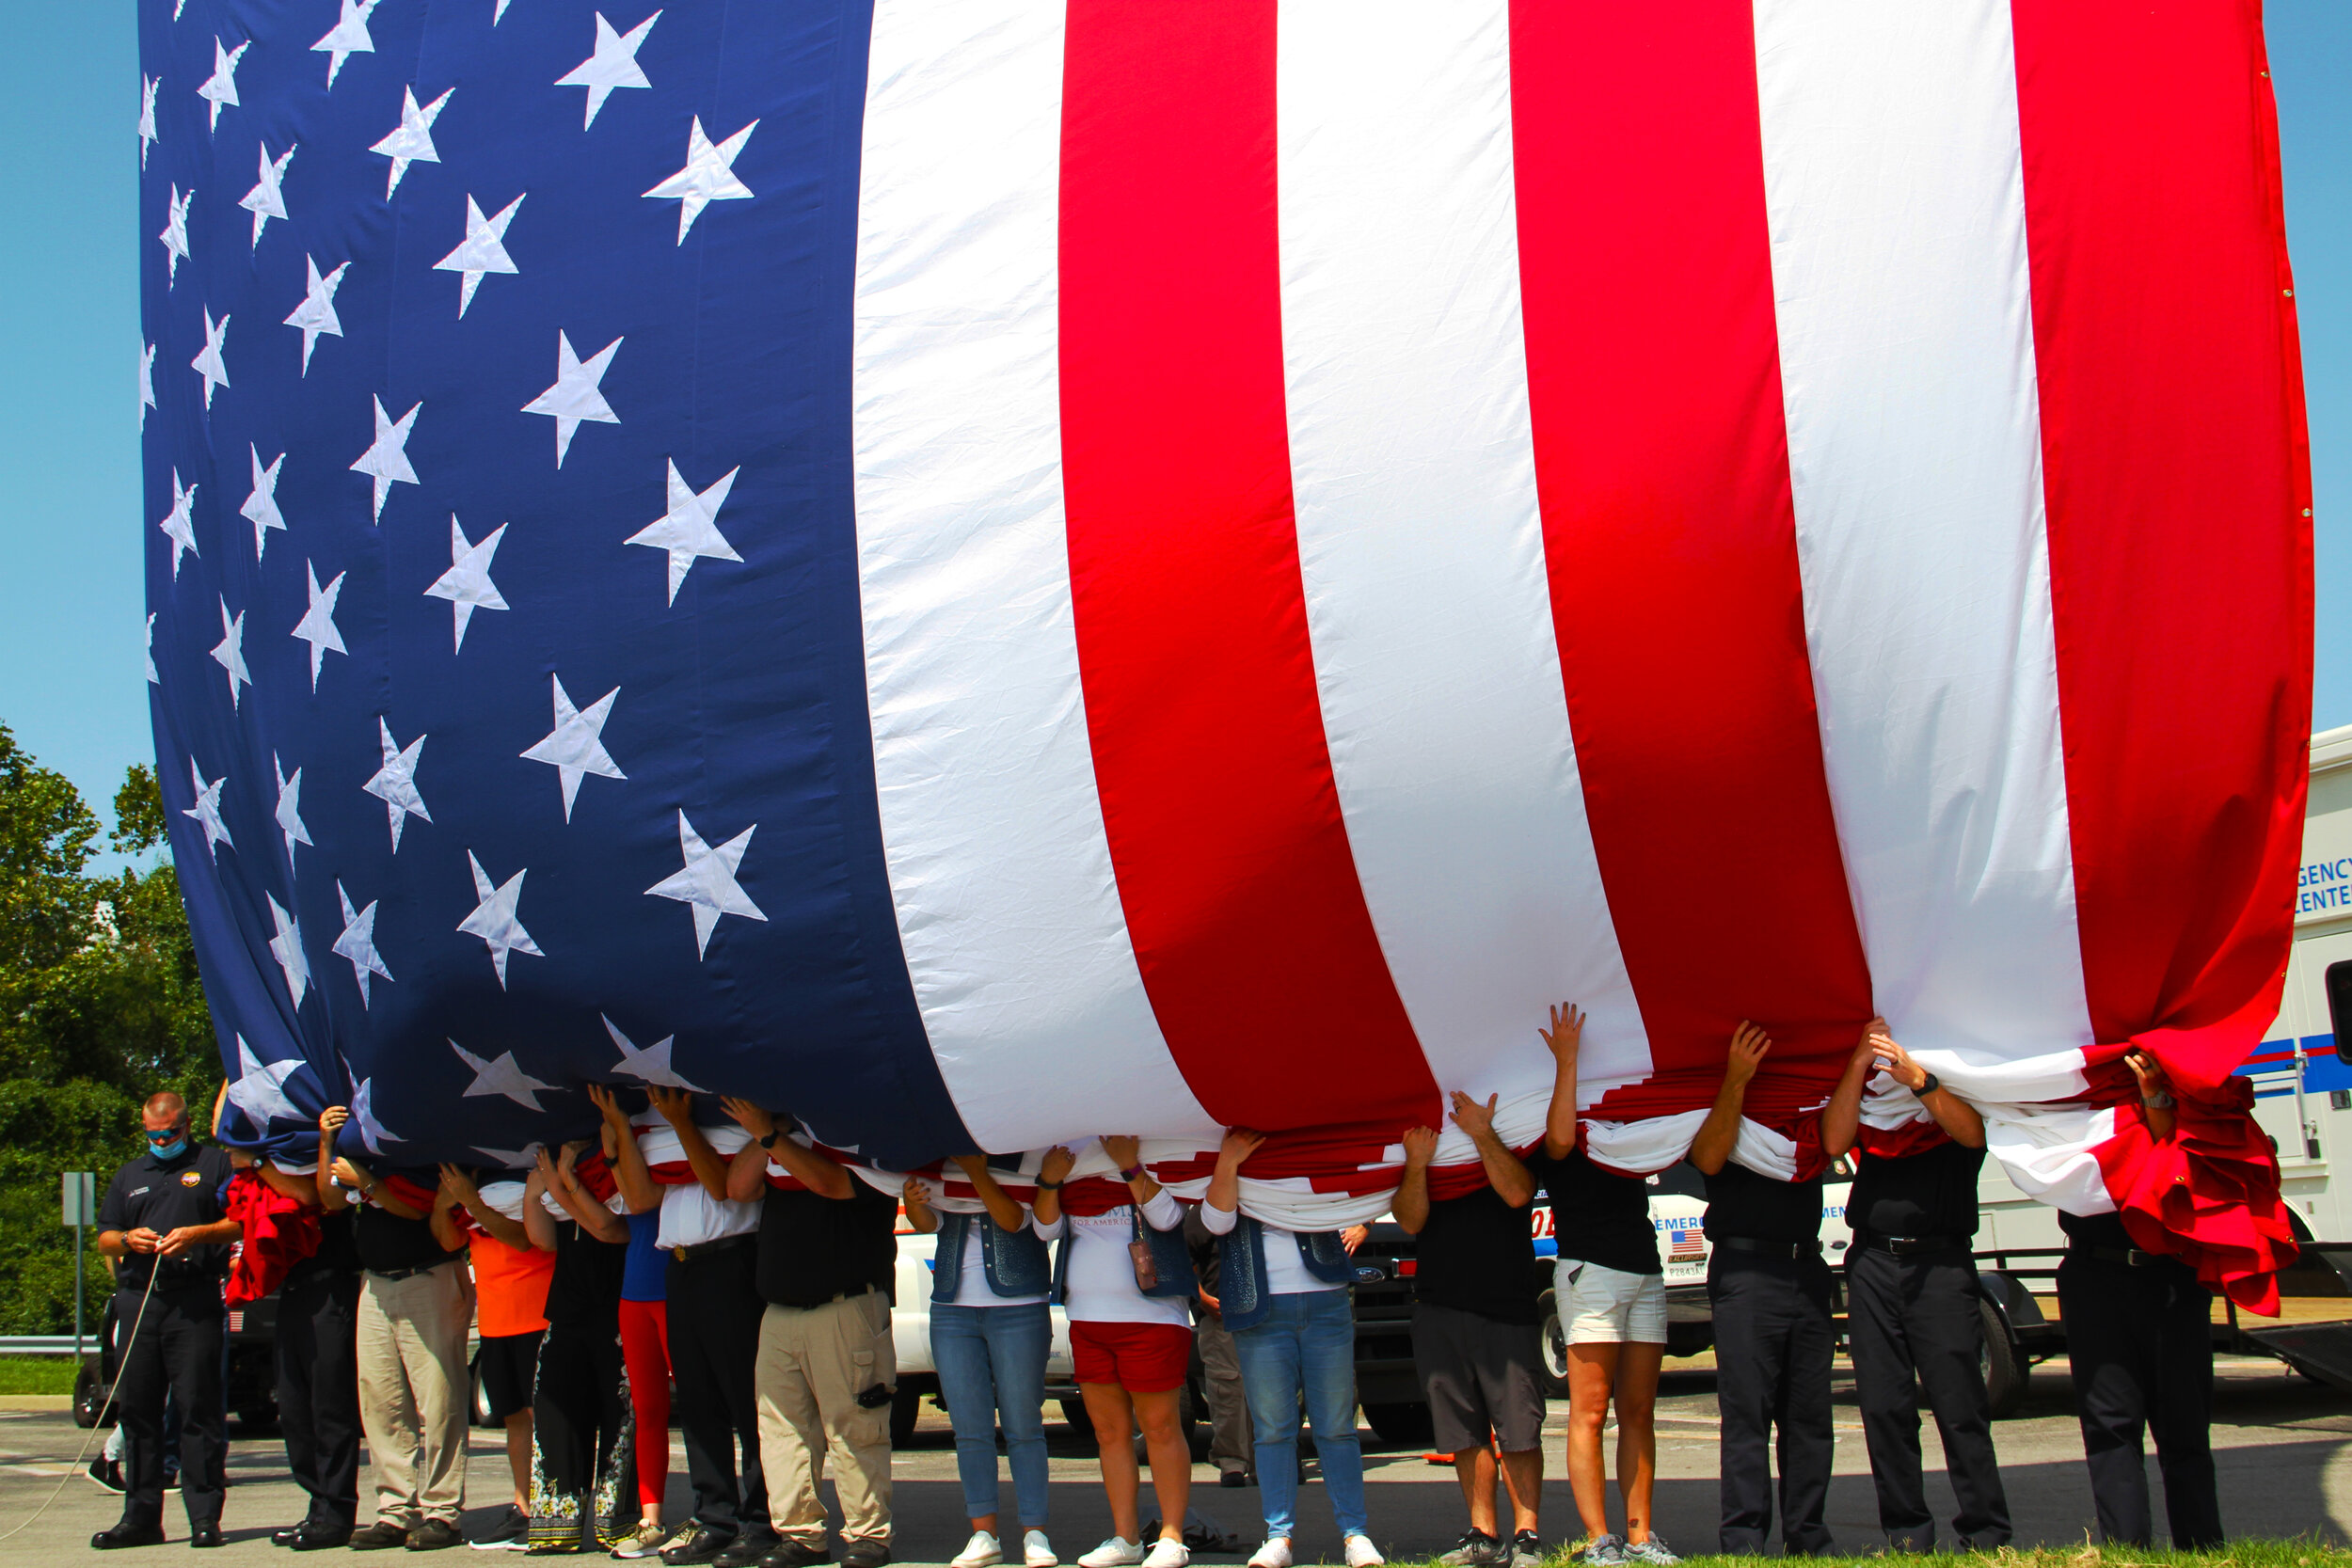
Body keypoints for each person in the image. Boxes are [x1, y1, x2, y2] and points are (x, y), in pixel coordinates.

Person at [1820, 1017, 2011, 1551]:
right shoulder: (1874, 1116)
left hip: (1941, 1266)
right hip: (1874, 1262)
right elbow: (1834, 1140)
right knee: (1885, 1408)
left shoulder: (1954, 1109)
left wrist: (1920, 1081)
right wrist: (1860, 1062)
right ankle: (1906, 1536)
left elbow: (1973, 1134)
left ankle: (1986, 1533)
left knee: (1960, 1407)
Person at [720, 1100, 900, 1568]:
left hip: (845, 1307)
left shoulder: (868, 1137)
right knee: (782, 1428)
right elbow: (736, 1189)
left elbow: (831, 1184)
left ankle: (868, 1534)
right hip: (779, 1312)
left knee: (853, 1425)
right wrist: (769, 1134)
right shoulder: (782, 1142)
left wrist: (771, 1137)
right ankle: (800, 1535)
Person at [2056, 1048, 2224, 1548]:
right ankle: (2127, 1552)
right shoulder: (2066, 1091)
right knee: (2110, 1425)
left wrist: (2152, 1092)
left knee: (2184, 1428)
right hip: (2094, 1272)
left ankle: (2202, 1550)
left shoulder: (2163, 1074)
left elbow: (2168, 1148)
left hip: (2169, 1273)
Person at [1532, 1006, 1674, 1566]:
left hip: (1644, 1267)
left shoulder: (1625, 1109)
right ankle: (1600, 1540)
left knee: (1639, 1411)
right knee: (1590, 1412)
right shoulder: (1547, 1118)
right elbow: (1561, 1143)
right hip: (1588, 1270)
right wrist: (1566, 1060)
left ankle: (1641, 1537)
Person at [1200, 1130, 1381, 1568]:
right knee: (1273, 1428)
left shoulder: (1314, 1139)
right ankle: (1279, 1536)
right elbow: (1215, 1222)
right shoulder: (1236, 1142)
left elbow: (1368, 1176)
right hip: (1261, 1308)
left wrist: (1367, 1220)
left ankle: (1355, 1535)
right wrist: (1228, 1161)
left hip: (1326, 1299)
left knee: (1336, 1426)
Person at [1689, 1024, 1833, 1557]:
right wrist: (1737, 1080)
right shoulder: (1717, 1099)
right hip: (1745, 1271)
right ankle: (1744, 1541)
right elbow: (1707, 1158)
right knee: (1748, 1415)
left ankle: (1809, 1537)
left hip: (1806, 1266)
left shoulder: (1806, 1105)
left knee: (1810, 1417)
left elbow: (1837, 1137)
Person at [1395, 1093, 1544, 1568]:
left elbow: (1519, 1193)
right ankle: (1483, 1533)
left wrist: (1481, 1131)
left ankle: (1527, 1536)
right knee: (1463, 1428)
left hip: (1506, 1301)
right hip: (1439, 1302)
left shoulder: (1515, 1134)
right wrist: (1417, 1163)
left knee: (1519, 1425)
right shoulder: (1426, 1143)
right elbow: (1409, 1218)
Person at [1032, 1137, 1197, 1568]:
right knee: (1108, 1435)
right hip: (1087, 1320)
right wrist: (1049, 1182)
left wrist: (1128, 1166)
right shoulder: (1066, 1150)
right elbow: (1045, 1229)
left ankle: (1171, 1537)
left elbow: (1168, 1217)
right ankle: (1126, 1538)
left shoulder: (1145, 1140)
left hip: (1154, 1320)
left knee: (1160, 1429)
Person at [88, 1090, 239, 1550]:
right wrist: (127, 1239)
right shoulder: (131, 1174)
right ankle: (141, 1517)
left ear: (186, 1125)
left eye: (170, 1133)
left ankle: (204, 1516)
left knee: (198, 1408)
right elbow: (105, 1238)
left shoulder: (214, 1165)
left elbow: (240, 1222)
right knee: (138, 1411)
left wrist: (197, 1234)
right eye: (153, 1135)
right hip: (140, 1299)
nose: (161, 1141)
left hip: (192, 1298)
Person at [322, 1105, 475, 1552]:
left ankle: (442, 1512)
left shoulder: (426, 1136)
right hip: (376, 1282)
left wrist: (367, 1184)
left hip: (428, 1276)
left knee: (440, 1399)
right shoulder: (361, 1144)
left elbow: (421, 1209)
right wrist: (327, 1141)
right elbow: (331, 1201)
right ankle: (395, 1510)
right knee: (381, 1401)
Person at [903, 1156, 1057, 1568]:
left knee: (1023, 1424)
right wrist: (914, 1201)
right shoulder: (941, 1162)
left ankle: (1035, 1532)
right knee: (969, 1429)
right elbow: (927, 1224)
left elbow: (1012, 1220)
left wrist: (976, 1172)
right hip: (952, 1308)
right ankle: (983, 1534)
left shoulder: (1021, 1160)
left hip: (1019, 1305)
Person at [643, 1086, 772, 1567]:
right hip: (680, 1266)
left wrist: (682, 1124)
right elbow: (638, 1195)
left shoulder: (730, 1125)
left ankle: (762, 1521)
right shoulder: (661, 1139)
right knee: (697, 1402)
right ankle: (715, 1517)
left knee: (747, 1400)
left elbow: (722, 1187)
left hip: (729, 1262)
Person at [522, 1140, 639, 1552]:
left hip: (617, 1309)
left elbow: (610, 1229)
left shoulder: (613, 1167)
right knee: (556, 1414)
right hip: (566, 1312)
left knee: (621, 1417)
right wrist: (535, 1192)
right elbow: (543, 1241)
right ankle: (557, 1521)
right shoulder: (561, 1177)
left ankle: (619, 1524)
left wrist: (565, 1183)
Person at [434, 1161, 556, 1550]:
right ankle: (523, 1506)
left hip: (537, 1314)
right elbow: (449, 1242)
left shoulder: (514, 1185)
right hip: (494, 1322)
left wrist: (473, 1203)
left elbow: (522, 1239)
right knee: (514, 1418)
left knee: (544, 1417)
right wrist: (443, 1204)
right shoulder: (475, 1190)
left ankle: (550, 1506)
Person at [261, 1131, 364, 1550]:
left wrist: (259, 1164)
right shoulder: (281, 1151)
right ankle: (317, 1503)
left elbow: (315, 1196)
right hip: (292, 1290)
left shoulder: (336, 1158)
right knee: (293, 1406)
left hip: (331, 1286)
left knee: (329, 1405)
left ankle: (337, 1512)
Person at [596, 1085, 684, 1559]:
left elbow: (645, 1198)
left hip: (674, 1286)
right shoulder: (628, 1124)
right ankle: (651, 1520)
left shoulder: (668, 1125)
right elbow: (617, 1215)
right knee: (647, 1410)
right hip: (635, 1292)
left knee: (704, 1405)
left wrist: (621, 1138)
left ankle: (727, 1508)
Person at [1181, 1208, 1254, 1492]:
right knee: (1227, 1390)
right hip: (1221, 1317)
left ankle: (1270, 1463)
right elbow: (1181, 1259)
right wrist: (1202, 1299)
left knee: (1271, 1391)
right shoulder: (1203, 1211)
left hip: (1266, 1316)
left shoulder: (1263, 1202)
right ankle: (1232, 1463)